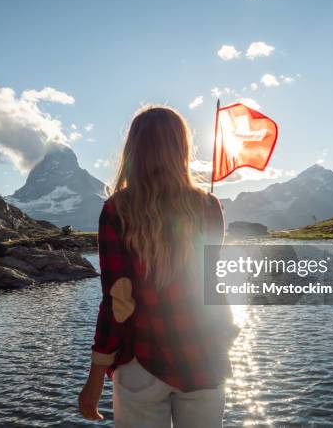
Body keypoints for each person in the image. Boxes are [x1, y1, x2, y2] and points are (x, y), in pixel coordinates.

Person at [78, 105, 239, 427]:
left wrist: (94, 378)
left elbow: (117, 300)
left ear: (133, 150)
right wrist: (225, 335)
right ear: (181, 148)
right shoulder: (208, 205)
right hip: (203, 359)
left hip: (141, 363)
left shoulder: (116, 209)